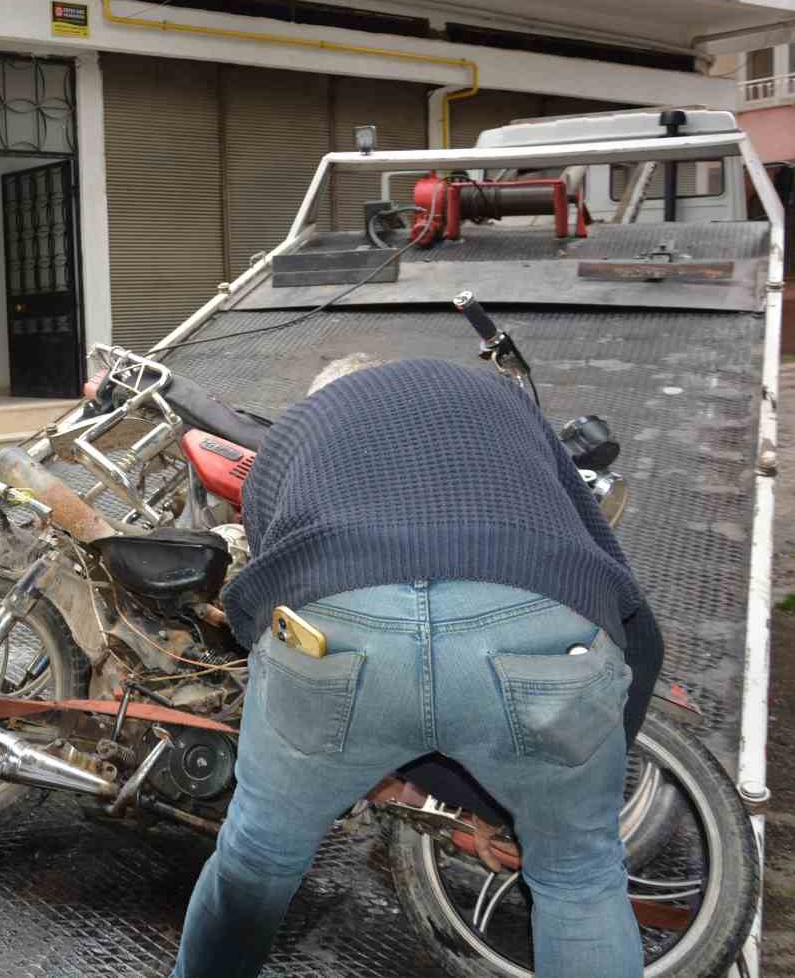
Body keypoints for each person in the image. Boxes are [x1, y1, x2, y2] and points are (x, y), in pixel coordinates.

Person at [171, 355, 664, 978]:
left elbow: (270, 594)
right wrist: (556, 775)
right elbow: (613, 586)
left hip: (338, 627)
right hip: (535, 618)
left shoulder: (296, 430)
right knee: (580, 877)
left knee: (257, 858)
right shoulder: (499, 402)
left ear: (325, 398)